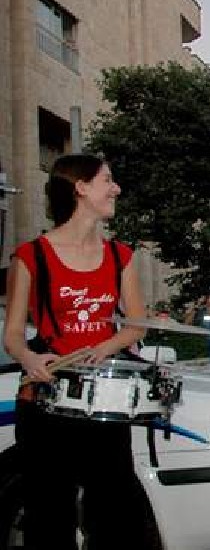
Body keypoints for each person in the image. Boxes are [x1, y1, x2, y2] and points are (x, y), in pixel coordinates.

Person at [3, 153, 152, 548]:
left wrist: (106, 346)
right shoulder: (30, 255)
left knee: (117, 513)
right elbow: (13, 334)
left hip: (103, 402)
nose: (116, 188)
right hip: (44, 402)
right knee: (49, 515)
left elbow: (137, 324)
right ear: (81, 188)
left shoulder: (121, 256)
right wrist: (29, 359)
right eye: (108, 179)